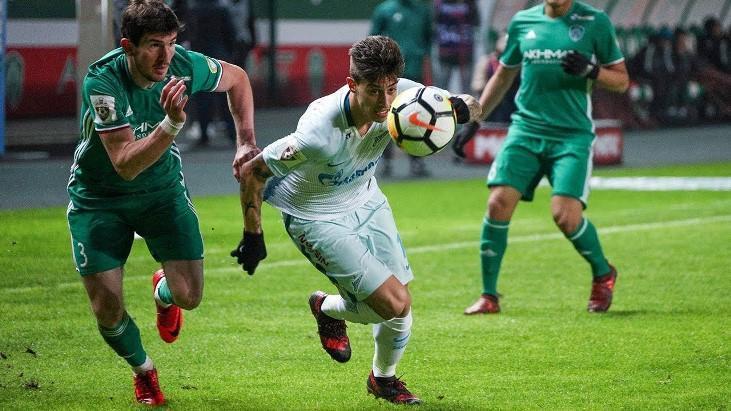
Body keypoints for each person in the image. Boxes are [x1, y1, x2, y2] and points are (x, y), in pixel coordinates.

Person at [230, 35, 480, 405]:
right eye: (374, 91)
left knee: (400, 306)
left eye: (390, 89)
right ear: (352, 84)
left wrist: (457, 111)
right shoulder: (318, 132)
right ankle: (326, 308)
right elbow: (252, 171)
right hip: (315, 215)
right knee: (393, 302)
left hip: (366, 199)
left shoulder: (407, 96)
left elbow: (473, 103)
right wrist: (253, 234)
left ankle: (383, 379)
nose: (385, 102)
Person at [66, 0, 257, 405]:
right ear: (128, 46)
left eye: (171, 43)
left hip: (161, 192)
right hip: (100, 198)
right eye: (154, 45)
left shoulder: (183, 64)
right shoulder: (102, 82)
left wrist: (245, 142)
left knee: (190, 296)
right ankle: (144, 370)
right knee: (107, 309)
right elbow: (125, 164)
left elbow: (238, 79)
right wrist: (171, 124)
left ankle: (163, 291)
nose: (166, 56)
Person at [461, 0, 629, 315]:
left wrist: (593, 71)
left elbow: (622, 81)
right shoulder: (522, 22)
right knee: (498, 202)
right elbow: (503, 75)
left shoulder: (595, 22)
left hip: (571, 136)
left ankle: (603, 273)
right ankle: (488, 296)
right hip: (526, 130)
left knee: (565, 216)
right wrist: (476, 118)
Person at [370, 0, 433, 178]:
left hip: (414, 70)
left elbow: (428, 39)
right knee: (386, 117)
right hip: (388, 73)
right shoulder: (384, 10)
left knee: (414, 117)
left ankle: (416, 161)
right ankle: (386, 161)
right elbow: (372, 40)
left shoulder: (422, 11)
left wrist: (422, 57)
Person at [188, 0, 238, 147]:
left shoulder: (194, 9)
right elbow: (230, 34)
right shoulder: (222, 9)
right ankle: (232, 134)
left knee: (202, 98)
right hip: (220, 57)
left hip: (200, 58)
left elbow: (190, 34)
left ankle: (204, 135)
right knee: (225, 98)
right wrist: (229, 53)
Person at [433, 0, 480, 94]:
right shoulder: (439, 4)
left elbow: (477, 24)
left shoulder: (470, 4)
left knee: (467, 89)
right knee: (440, 89)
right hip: (445, 51)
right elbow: (433, 23)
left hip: (465, 52)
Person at [223, 0, 257, 71]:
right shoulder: (223, 4)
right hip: (227, 42)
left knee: (241, 67)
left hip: (242, 40)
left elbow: (250, 23)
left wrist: (253, 41)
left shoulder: (246, 4)